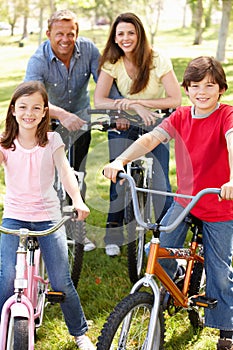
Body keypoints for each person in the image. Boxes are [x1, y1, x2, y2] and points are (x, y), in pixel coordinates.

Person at [103, 56, 233, 350]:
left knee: (219, 271)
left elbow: (232, 140)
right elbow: (151, 139)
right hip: (186, 200)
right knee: (157, 249)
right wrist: (121, 159)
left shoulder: (227, 115)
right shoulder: (181, 116)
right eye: (196, 85)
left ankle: (227, 329)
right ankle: (170, 281)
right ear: (187, 88)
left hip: (218, 201)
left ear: (221, 89)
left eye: (210, 86)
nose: (202, 92)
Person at [0, 81, 95, 350]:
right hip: (15, 218)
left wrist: (77, 200)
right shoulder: (5, 142)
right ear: (13, 110)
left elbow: (65, 172)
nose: (29, 113)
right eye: (23, 107)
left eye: (36, 108)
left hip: (47, 217)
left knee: (61, 280)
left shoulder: (52, 140)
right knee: (5, 276)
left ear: (44, 113)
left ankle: (79, 332)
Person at [94, 12, 182, 257]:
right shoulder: (113, 61)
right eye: (120, 33)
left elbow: (175, 98)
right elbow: (99, 100)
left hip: (155, 124)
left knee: (161, 183)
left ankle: (167, 236)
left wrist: (143, 105)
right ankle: (112, 233)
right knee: (118, 177)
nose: (125, 38)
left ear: (139, 34)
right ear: (114, 37)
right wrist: (133, 106)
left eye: (130, 33)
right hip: (124, 123)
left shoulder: (157, 59)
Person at [24, 9, 97, 251]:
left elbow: (104, 83)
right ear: (48, 34)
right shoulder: (38, 59)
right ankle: (47, 228)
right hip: (48, 119)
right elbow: (32, 97)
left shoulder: (88, 50)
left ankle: (78, 232)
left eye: (71, 33)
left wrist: (120, 107)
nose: (65, 39)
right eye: (59, 34)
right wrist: (62, 115)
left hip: (80, 119)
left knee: (78, 175)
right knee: (46, 176)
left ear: (77, 33)